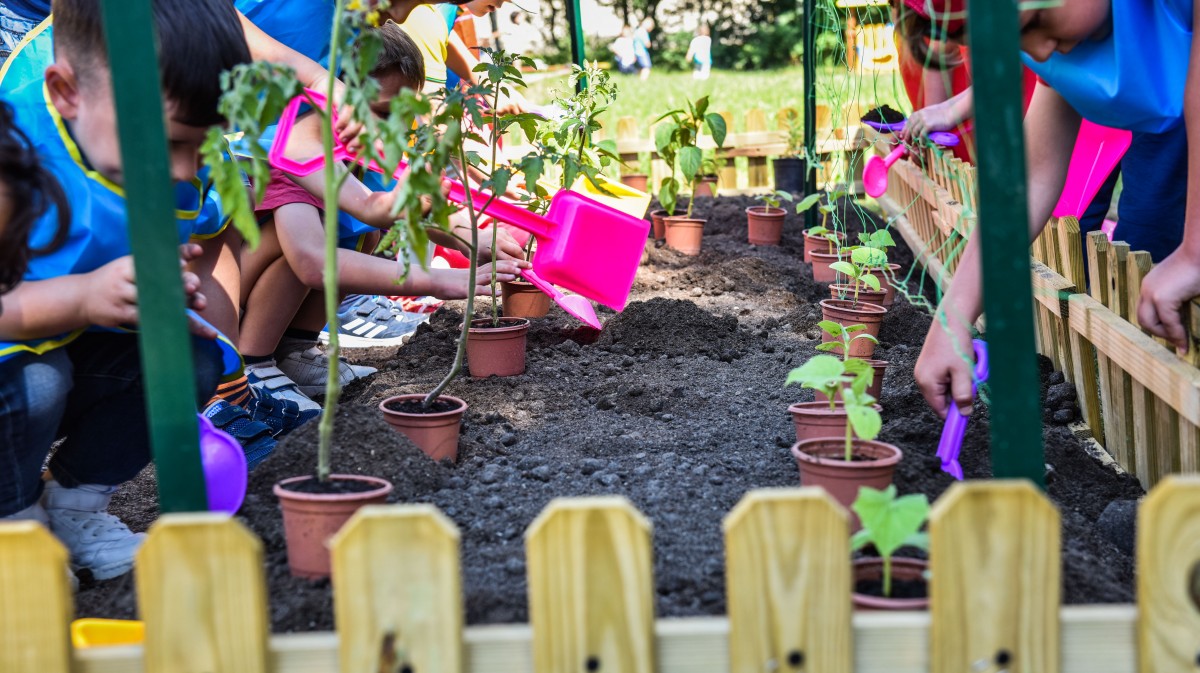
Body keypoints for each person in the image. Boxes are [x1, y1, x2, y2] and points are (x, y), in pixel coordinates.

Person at [0, 0, 250, 580]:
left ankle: (72, 505)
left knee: (190, 358)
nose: (186, 170)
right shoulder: (16, 160)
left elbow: (190, 243)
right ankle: (13, 521)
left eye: (202, 145)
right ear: (65, 92)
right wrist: (86, 296)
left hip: (60, 345)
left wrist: (154, 296)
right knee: (38, 379)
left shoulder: (169, 162)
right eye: (170, 144)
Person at [894, 0, 1196, 423]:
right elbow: (1028, 183)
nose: (1036, 53)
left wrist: (1194, 252)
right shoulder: (1059, 40)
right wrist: (953, 319)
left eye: (1034, 22)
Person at [242, 23, 528, 405]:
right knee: (317, 237)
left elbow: (422, 214)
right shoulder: (298, 152)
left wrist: (474, 238)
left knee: (364, 233)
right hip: (230, 308)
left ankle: (293, 350)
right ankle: (252, 364)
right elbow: (313, 264)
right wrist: (443, 279)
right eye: (381, 111)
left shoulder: (365, 148)